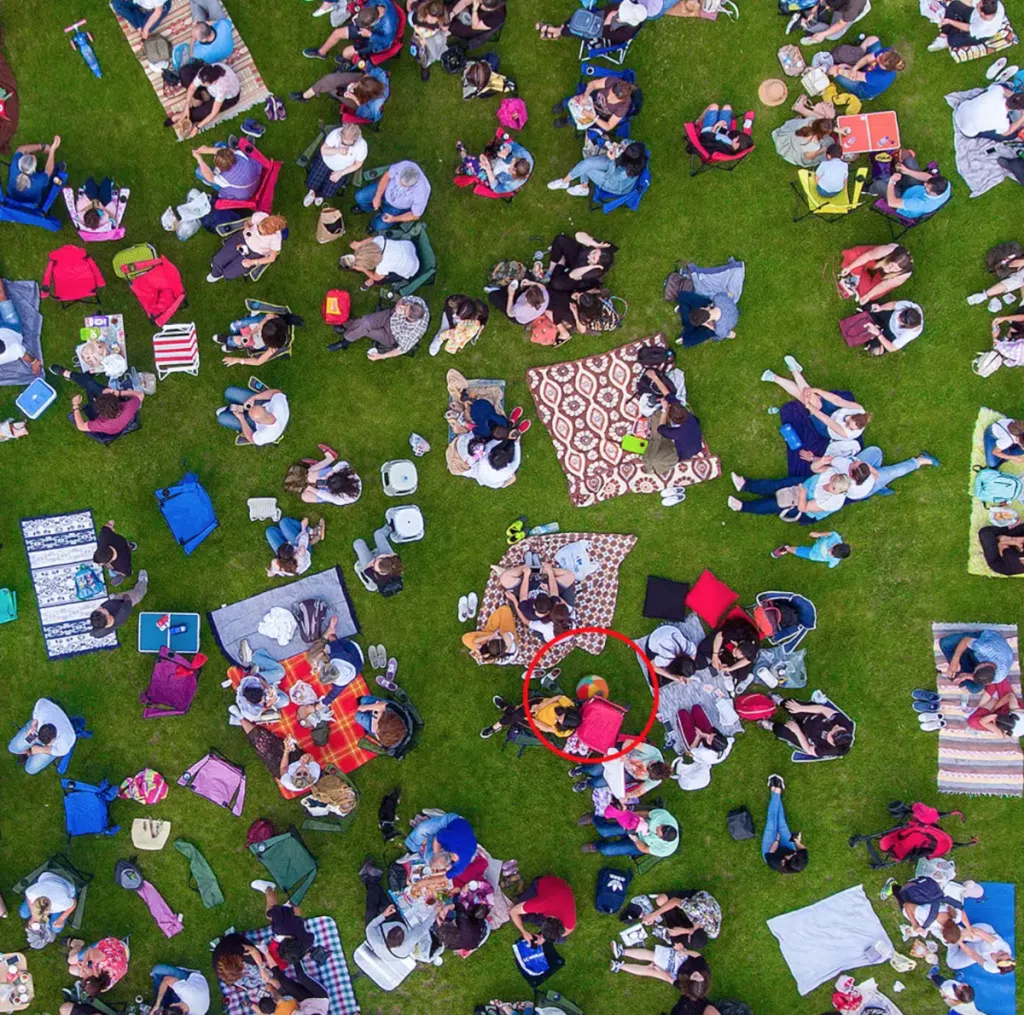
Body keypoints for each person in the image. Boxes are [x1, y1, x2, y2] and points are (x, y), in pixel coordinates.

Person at [760, 356, 871, 446]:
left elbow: (825, 418)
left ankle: (786, 374)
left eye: (849, 426)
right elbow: (837, 400)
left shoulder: (845, 432)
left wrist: (809, 406)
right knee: (813, 398)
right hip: (835, 411)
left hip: (826, 428)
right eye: (848, 422)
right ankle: (790, 372)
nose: (846, 425)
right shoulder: (858, 409)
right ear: (853, 415)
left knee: (811, 402)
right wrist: (815, 390)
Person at [48, 364, 145, 438]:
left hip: (111, 425)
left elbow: (81, 426)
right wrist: (119, 393)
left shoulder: (101, 424)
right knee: (89, 384)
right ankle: (76, 375)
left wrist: (75, 405)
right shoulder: (128, 408)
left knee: (89, 385)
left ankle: (69, 374)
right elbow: (140, 395)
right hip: (120, 422)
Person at [326, 296, 430, 358]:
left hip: (391, 336)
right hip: (389, 316)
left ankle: (345, 333)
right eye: (405, 307)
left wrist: (381, 356)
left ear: (410, 318)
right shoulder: (418, 302)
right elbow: (403, 299)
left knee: (366, 330)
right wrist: (398, 305)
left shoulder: (414, 331)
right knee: (365, 322)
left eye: (404, 311)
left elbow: (402, 350)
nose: (402, 308)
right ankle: (346, 338)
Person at [302, 1, 400, 64]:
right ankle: (321, 53)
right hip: (367, 30)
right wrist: (357, 15)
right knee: (337, 33)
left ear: (373, 22)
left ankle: (348, 60)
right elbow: (366, 6)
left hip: (376, 41)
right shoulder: (375, 3)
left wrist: (370, 35)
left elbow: (387, 42)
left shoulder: (389, 25)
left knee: (346, 53)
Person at [756, 696, 854, 758]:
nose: (836, 725)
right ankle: (778, 700)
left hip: (806, 735)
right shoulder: (844, 724)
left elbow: (808, 749)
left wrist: (797, 731)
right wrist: (800, 708)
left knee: (781, 731)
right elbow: (822, 709)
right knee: (791, 705)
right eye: (838, 727)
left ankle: (769, 724)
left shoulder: (828, 750)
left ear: (832, 741)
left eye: (834, 730)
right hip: (811, 717)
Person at [728, 470, 851, 519]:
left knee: (775, 504)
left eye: (833, 488)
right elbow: (815, 468)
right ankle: (745, 485)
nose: (829, 486)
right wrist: (821, 462)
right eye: (832, 482)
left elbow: (803, 508)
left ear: (839, 492)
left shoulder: (832, 502)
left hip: (803, 503)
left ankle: (742, 506)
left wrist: (802, 493)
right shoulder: (832, 473)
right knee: (777, 485)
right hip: (804, 484)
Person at [240, 720, 321, 793]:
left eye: (299, 773)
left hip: (280, 767)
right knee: (280, 743)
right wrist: (305, 757)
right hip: (296, 758)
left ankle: (241, 719)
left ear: (293, 775)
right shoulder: (315, 772)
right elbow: (310, 757)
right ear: (309, 774)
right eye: (305, 773)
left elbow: (283, 768)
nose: (302, 770)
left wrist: (286, 751)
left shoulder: (287, 781)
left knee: (263, 744)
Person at [547, 140, 648, 198]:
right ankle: (569, 182)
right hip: (617, 163)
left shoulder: (626, 172)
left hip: (615, 184)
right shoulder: (636, 150)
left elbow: (610, 177)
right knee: (587, 162)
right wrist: (619, 146)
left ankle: (580, 187)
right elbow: (626, 142)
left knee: (586, 167)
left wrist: (613, 159)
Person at [352, 159, 430, 232]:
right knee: (360, 196)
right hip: (385, 190)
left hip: (396, 208)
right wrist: (378, 196)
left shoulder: (422, 191)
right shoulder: (404, 165)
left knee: (379, 226)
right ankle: (367, 208)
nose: (400, 186)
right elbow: (387, 176)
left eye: (405, 186)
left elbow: (415, 215)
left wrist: (394, 219)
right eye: (400, 182)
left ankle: (373, 225)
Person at [610, 939, 709, 996]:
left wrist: (659, 969)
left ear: (689, 981)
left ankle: (619, 966)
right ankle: (621, 951)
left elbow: (669, 979)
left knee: (651, 971)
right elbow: (697, 955)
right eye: (699, 975)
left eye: (695, 976)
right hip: (684, 959)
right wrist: (684, 952)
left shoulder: (685, 986)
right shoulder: (703, 969)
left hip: (676, 973)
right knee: (653, 956)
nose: (697, 974)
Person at [207, 212, 287, 282]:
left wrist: (252, 262)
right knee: (218, 260)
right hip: (242, 238)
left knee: (230, 272)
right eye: (259, 229)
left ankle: (222, 273)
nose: (259, 232)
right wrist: (246, 229)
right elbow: (247, 223)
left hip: (254, 253)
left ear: (271, 233)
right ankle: (216, 271)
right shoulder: (260, 216)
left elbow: (271, 258)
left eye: (262, 233)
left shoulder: (275, 239)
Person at [169, 63, 242, 139]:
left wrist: (197, 127)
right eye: (201, 82)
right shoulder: (204, 72)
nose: (201, 83)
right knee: (184, 71)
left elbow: (214, 113)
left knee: (205, 111)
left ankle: (184, 116)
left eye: (204, 83)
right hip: (211, 89)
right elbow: (192, 87)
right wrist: (186, 106)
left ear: (213, 82)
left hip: (228, 98)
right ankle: (198, 98)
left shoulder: (222, 87)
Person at [303, 123, 367, 208]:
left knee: (328, 191)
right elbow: (324, 150)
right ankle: (312, 192)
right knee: (312, 182)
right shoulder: (335, 134)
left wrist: (341, 173)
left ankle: (319, 195)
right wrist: (338, 150)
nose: (347, 146)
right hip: (325, 160)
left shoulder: (362, 146)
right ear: (341, 136)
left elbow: (358, 164)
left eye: (350, 144)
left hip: (341, 169)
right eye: (344, 143)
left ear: (356, 140)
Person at [8, 698, 77, 774]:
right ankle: (29, 752)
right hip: (36, 732)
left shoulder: (65, 740)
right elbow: (38, 709)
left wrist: (41, 749)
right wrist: (33, 726)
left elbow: (60, 751)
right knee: (13, 748)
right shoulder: (43, 709)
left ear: (54, 739)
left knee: (30, 769)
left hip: (50, 748)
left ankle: (31, 751)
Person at [571, 744, 670, 797]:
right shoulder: (654, 753)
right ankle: (582, 769)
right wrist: (623, 754)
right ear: (654, 762)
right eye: (647, 767)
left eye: (647, 774)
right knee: (594, 770)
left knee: (599, 783)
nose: (644, 770)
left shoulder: (656, 779)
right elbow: (630, 742)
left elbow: (640, 791)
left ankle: (587, 782)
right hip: (622, 757)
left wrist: (629, 795)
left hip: (629, 774)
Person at [536, 0, 649, 46]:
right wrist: (607, 15)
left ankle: (556, 31)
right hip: (597, 17)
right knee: (579, 17)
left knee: (577, 29)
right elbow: (606, 8)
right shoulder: (623, 6)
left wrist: (609, 18)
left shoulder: (627, 33)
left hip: (599, 33)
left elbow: (607, 35)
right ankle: (557, 32)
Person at [580, 807, 680, 857]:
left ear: (660, 838)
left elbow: (645, 849)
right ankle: (594, 817)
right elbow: (645, 814)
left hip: (641, 843)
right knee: (604, 831)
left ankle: (597, 846)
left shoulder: (665, 850)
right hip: (638, 824)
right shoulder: (663, 817)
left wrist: (634, 838)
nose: (658, 826)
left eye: (658, 830)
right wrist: (627, 816)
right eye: (661, 826)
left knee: (608, 850)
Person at [404, 812, 477, 878]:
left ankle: (432, 826)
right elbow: (437, 838)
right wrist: (436, 853)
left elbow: (446, 876)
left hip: (461, 835)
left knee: (428, 858)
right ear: (441, 850)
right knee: (421, 829)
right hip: (452, 821)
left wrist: (438, 873)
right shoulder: (449, 838)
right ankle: (412, 850)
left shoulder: (460, 866)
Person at [828, 36, 905, 100]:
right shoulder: (886, 54)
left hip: (860, 87)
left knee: (834, 70)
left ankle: (863, 96)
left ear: (884, 68)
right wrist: (854, 68)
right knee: (873, 39)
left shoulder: (878, 77)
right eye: (881, 54)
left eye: (880, 59)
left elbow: (854, 76)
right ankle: (857, 53)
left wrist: (839, 70)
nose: (879, 55)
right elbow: (867, 58)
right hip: (866, 72)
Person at [940, 628, 1015, 692]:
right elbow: (965, 640)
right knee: (945, 643)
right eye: (975, 670)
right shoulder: (984, 649)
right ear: (983, 664)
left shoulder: (999, 677)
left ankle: (961, 662)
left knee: (975, 689)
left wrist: (966, 676)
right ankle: (958, 660)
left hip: (985, 656)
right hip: (982, 639)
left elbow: (988, 682)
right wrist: (955, 660)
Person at [554, 76, 637, 133]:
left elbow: (608, 126)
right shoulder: (613, 81)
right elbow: (593, 84)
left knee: (578, 120)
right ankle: (562, 105)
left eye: (613, 97)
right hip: (591, 99)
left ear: (622, 99)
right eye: (610, 92)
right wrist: (586, 95)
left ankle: (567, 120)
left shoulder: (623, 106)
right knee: (570, 101)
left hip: (598, 115)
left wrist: (592, 117)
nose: (608, 97)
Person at [215, 312, 298, 369]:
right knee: (232, 327)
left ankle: (235, 343)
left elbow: (258, 361)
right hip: (253, 330)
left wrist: (237, 360)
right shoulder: (274, 319)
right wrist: (250, 333)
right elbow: (261, 324)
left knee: (232, 340)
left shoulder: (273, 348)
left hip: (256, 342)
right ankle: (238, 343)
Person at [283, 447, 363, 506]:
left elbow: (325, 495)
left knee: (305, 496)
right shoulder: (348, 474)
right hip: (333, 478)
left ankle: (319, 466)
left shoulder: (339, 499)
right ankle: (329, 458)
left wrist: (309, 488)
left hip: (329, 493)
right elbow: (343, 464)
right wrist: (329, 474)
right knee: (310, 475)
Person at [479, 693, 581, 739]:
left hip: (536, 720)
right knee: (516, 713)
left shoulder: (564, 732)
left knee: (515, 715)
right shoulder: (569, 705)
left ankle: (495, 727)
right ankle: (505, 709)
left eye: (559, 721)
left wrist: (530, 718)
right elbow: (558, 697)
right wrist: (540, 706)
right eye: (561, 715)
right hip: (538, 704)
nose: (557, 718)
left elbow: (546, 728)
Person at [642, 401, 704, 476]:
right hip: (686, 440)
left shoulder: (678, 432)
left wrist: (665, 411)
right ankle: (653, 458)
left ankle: (657, 467)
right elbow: (670, 397)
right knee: (657, 415)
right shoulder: (689, 417)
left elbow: (660, 429)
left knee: (656, 459)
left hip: (679, 452)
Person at [509, 876, 576, 944]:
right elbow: (513, 911)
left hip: (559, 890)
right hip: (541, 885)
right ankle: (524, 897)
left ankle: (533, 917)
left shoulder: (569, 921)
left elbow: (568, 931)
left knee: (561, 940)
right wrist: (523, 932)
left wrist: (543, 938)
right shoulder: (541, 904)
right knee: (518, 916)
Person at [838, 244, 914, 304]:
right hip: (877, 262)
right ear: (890, 258)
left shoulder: (904, 274)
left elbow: (884, 285)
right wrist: (850, 267)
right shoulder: (888, 250)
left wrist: (868, 296)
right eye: (892, 265)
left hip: (884, 278)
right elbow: (867, 256)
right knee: (853, 255)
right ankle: (856, 277)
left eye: (896, 269)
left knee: (867, 293)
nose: (891, 269)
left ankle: (857, 276)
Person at [762, 774, 808, 873]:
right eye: (794, 853)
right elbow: (803, 849)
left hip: (770, 851)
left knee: (771, 823)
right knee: (781, 821)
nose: (792, 853)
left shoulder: (775, 863)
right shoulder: (801, 859)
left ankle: (776, 791)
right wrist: (797, 842)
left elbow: (770, 852)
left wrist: (777, 840)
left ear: (785, 862)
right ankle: (775, 790)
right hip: (786, 847)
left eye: (790, 856)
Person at [455, 137, 532, 195]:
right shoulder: (525, 156)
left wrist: (488, 169)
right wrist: (507, 150)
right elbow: (512, 144)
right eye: (514, 160)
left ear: (514, 172)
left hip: (492, 177)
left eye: (511, 165)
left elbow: (495, 188)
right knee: (482, 158)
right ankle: (467, 168)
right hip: (497, 162)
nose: (512, 160)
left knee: (472, 162)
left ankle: (462, 153)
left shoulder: (510, 185)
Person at [339, 235, 419, 290]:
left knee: (380, 280)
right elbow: (372, 239)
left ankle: (371, 282)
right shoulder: (379, 241)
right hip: (409, 247)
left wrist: (364, 270)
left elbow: (376, 277)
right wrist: (360, 243)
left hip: (412, 268)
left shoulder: (382, 266)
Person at [215, 386, 290, 445]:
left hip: (254, 426)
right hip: (262, 403)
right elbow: (277, 392)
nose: (247, 409)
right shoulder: (279, 406)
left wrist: (242, 419)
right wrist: (254, 398)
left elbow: (251, 438)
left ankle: (231, 409)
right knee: (229, 392)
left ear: (258, 422)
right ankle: (233, 409)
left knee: (221, 418)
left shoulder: (265, 435)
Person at [880, 160, 952, 220]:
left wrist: (892, 181)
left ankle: (870, 190)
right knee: (909, 161)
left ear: (934, 194)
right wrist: (907, 171)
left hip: (903, 201)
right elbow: (928, 177)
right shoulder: (946, 185)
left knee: (879, 185)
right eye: (927, 183)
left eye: (927, 187)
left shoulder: (919, 204)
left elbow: (892, 203)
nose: (924, 184)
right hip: (915, 190)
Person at [290, 71, 386, 115]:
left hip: (356, 101)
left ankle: (305, 96)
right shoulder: (378, 80)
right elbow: (375, 71)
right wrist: (363, 78)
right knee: (329, 80)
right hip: (358, 80)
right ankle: (306, 95)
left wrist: (354, 98)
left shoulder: (374, 105)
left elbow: (365, 113)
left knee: (333, 89)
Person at [547, 232, 617, 292]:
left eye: (593, 258)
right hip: (577, 255)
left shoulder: (594, 271)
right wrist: (595, 244)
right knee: (560, 239)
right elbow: (578, 235)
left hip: (575, 277)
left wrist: (590, 267)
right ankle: (551, 270)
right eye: (594, 252)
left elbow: (572, 275)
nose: (590, 254)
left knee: (556, 284)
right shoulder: (599, 248)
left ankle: (561, 265)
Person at [89, 570, 150, 638]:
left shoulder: (99, 629)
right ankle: (143, 583)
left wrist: (92, 633)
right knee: (138, 594)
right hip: (124, 601)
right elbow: (128, 602)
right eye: (102, 609)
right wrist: (126, 598)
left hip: (115, 601)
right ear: (108, 618)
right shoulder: (123, 612)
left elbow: (95, 633)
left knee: (115, 597)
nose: (100, 607)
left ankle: (114, 597)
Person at [953, 82, 1024, 140]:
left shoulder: (998, 91)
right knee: (1013, 135)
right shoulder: (1002, 122)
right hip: (966, 130)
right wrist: (1022, 118)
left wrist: (1017, 99)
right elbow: (1007, 132)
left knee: (1003, 85)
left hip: (962, 109)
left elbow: (1004, 90)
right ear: (1018, 109)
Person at [929, 0, 1008, 50]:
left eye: (978, 6)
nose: (977, 4)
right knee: (953, 4)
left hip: (977, 34)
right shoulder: (991, 4)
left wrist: (950, 21)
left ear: (982, 14)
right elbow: (971, 2)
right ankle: (944, 33)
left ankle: (948, 36)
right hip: (973, 17)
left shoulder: (982, 25)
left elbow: (968, 28)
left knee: (952, 40)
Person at [193, 145, 263, 202]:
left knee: (199, 171)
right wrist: (208, 150)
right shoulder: (240, 155)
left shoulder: (223, 178)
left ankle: (208, 182)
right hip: (254, 181)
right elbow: (231, 151)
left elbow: (211, 178)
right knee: (220, 145)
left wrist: (200, 159)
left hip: (242, 194)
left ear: (220, 168)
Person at [0, 281, 41, 376]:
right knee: (2, 297)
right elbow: (25, 356)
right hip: (13, 327)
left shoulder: (13, 351)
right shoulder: (15, 350)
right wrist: (34, 362)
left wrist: (34, 362)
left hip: (9, 330)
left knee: (1, 297)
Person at [8, 137, 62, 207]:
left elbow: (21, 149)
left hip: (12, 201)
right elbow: (49, 170)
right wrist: (52, 151)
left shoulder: (14, 166)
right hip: (32, 206)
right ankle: (58, 169)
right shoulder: (39, 181)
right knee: (50, 176)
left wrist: (41, 147)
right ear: (34, 170)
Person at [20, 870, 78, 936]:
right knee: (23, 914)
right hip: (48, 877)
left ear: (50, 912)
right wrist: (34, 915)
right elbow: (28, 897)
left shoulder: (60, 905)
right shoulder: (32, 893)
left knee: (56, 929)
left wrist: (61, 919)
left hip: (66, 883)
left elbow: (74, 902)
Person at [790, 0, 869, 45]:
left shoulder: (855, 4)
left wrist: (822, 35)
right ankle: (805, 21)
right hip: (839, 4)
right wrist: (815, 8)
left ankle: (803, 24)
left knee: (834, 35)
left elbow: (841, 23)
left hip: (844, 11)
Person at [945, 924, 1015, 974]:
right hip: (982, 935)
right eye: (1006, 953)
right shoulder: (1003, 946)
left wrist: (960, 942)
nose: (1002, 951)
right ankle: (952, 928)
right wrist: (960, 937)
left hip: (978, 951)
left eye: (1001, 954)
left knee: (953, 964)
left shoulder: (992, 968)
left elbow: (973, 955)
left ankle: (951, 943)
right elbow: (978, 932)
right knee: (965, 936)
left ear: (996, 962)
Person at [409, 0, 450, 79]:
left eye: (435, 19)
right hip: (420, 35)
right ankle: (424, 65)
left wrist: (443, 31)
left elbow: (445, 28)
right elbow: (410, 8)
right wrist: (419, 36)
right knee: (420, 54)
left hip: (433, 35)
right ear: (426, 11)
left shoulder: (444, 16)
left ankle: (428, 63)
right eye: (430, 18)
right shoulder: (417, 12)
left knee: (432, 52)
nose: (432, 21)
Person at [93, 519, 137, 587]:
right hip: (122, 542)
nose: (100, 565)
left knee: (112, 573)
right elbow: (110, 523)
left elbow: (129, 573)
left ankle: (118, 576)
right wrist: (110, 524)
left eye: (101, 563)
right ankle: (131, 546)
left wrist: (109, 567)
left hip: (123, 557)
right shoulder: (104, 537)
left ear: (109, 561)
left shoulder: (121, 565)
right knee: (126, 545)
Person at [772, 530, 850, 567]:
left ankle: (787, 548)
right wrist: (818, 534)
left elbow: (831, 565)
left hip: (813, 554)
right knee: (818, 542)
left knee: (799, 551)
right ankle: (787, 549)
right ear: (837, 544)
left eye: (832, 554)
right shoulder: (835, 538)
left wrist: (831, 564)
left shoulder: (835, 560)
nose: (830, 552)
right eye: (832, 550)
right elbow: (832, 533)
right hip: (820, 543)